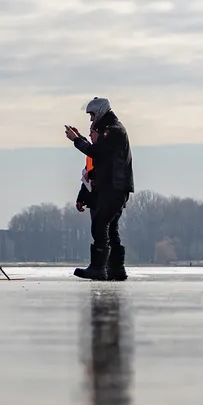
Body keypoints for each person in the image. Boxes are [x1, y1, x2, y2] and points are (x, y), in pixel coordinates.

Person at [64, 97, 133, 280]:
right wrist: (82, 196)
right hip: (112, 188)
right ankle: (116, 270)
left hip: (115, 188)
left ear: (100, 112)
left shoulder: (114, 131)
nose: (91, 119)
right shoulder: (109, 132)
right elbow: (93, 168)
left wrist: (77, 140)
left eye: (92, 115)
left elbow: (96, 152)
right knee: (110, 229)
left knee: (101, 224)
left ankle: (98, 268)